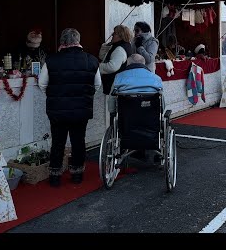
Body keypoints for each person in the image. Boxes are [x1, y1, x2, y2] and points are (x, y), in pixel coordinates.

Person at [37, 28, 101, 187]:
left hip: (57, 108)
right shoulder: (91, 59)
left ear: (62, 42)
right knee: (78, 141)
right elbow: (97, 84)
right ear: (78, 41)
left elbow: (42, 84)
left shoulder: (52, 60)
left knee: (58, 142)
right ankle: (77, 174)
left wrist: (53, 96)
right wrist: (86, 95)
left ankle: (55, 176)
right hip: (81, 108)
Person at [108, 53, 164, 164]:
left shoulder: (119, 77)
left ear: (128, 64)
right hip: (150, 124)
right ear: (143, 64)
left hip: (127, 124)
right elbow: (162, 105)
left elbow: (111, 101)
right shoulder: (156, 78)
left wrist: (113, 112)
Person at [99, 24, 133, 95]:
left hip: (114, 84)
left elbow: (112, 67)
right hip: (118, 83)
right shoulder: (119, 46)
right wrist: (106, 46)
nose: (112, 35)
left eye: (114, 33)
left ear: (120, 36)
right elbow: (103, 57)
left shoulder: (120, 49)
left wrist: (97, 67)